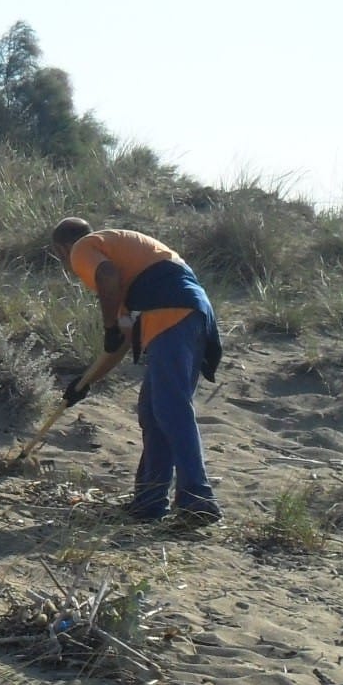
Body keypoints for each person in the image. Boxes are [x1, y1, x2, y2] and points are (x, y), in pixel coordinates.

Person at [50, 218, 223, 522]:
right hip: (193, 314)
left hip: (172, 314)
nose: (69, 265)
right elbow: (121, 339)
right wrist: (86, 382)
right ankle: (149, 502)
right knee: (153, 412)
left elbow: (106, 275)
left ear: (62, 249)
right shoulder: (127, 263)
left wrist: (107, 326)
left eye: (62, 257)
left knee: (171, 410)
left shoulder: (83, 249)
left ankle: (197, 499)